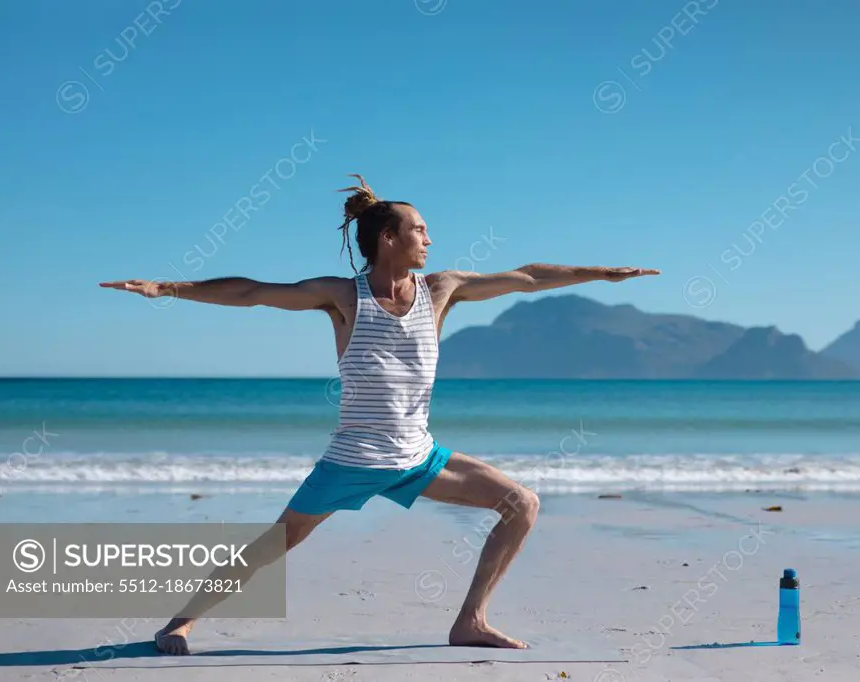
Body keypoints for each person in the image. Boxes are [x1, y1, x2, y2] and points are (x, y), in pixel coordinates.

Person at [100, 174, 660, 654]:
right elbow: (252, 291)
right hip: (350, 459)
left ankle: (470, 621)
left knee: (522, 503)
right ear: (388, 238)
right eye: (420, 230)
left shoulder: (443, 289)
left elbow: (528, 276)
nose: (430, 239)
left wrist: (600, 273)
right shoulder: (342, 295)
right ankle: (181, 620)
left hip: (419, 457)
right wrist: (168, 287)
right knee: (275, 545)